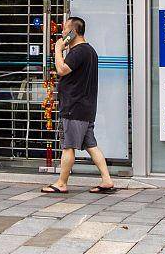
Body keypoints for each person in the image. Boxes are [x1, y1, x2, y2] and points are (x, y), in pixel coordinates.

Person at [41, 16, 117, 194]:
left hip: (74, 107)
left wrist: (58, 49)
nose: (62, 33)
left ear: (73, 32)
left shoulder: (78, 52)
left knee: (68, 146)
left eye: (64, 29)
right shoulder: (90, 51)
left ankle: (61, 183)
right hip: (85, 108)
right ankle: (107, 180)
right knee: (91, 145)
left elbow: (61, 70)